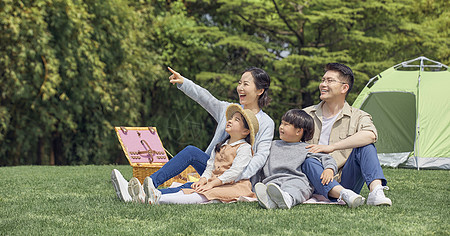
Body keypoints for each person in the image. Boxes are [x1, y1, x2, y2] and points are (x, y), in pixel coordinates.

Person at [111, 66, 274, 202]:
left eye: (246, 84)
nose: (240, 88)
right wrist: (184, 83)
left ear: (260, 90)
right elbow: (206, 98)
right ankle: (143, 188)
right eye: (239, 83)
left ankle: (143, 194)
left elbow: (261, 156)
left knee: (188, 187)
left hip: (238, 177)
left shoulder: (266, 123)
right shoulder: (229, 110)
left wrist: (236, 176)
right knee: (192, 154)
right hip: (213, 168)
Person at [128, 104, 258, 204]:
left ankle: (156, 197)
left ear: (246, 131)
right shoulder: (221, 145)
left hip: (232, 185)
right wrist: (203, 180)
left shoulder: (244, 148)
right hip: (213, 180)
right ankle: (147, 191)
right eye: (231, 118)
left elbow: (235, 172)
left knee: (194, 191)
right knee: (191, 186)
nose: (230, 120)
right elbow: (210, 166)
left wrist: (211, 183)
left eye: (236, 120)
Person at [301, 63, 392, 206]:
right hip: (311, 179)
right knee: (308, 159)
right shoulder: (306, 114)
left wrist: (333, 147)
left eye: (330, 81)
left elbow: (370, 135)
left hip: (346, 182)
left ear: (344, 88)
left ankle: (376, 192)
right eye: (323, 80)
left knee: (366, 146)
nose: (323, 84)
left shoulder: (358, 116)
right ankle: (339, 193)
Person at [254, 109, 365, 209]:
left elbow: (327, 158)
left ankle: (288, 199)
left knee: (293, 187)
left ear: (299, 131)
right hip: (273, 180)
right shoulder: (272, 145)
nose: (281, 127)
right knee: (269, 187)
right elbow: (260, 161)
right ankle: (271, 201)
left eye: (286, 124)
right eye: (282, 123)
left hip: (296, 180)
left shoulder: (306, 148)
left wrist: (329, 169)